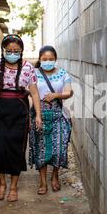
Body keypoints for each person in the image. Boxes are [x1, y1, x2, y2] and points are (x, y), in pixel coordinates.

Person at [0, 34, 42, 202]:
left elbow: (34, 92)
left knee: (16, 148)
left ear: (21, 51)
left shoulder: (28, 67)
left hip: (19, 111)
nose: (12, 53)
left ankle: (13, 187)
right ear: (3, 50)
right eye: (9, 50)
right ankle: (1, 184)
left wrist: (38, 115)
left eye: (16, 51)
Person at [29, 45, 73, 195]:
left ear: (55, 59)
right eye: (44, 59)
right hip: (39, 114)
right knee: (41, 148)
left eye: (51, 59)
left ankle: (55, 175)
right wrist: (38, 114)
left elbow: (68, 92)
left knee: (59, 147)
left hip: (58, 115)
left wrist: (56, 95)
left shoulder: (63, 73)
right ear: (40, 59)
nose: (48, 61)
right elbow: (30, 91)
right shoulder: (33, 73)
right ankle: (42, 181)